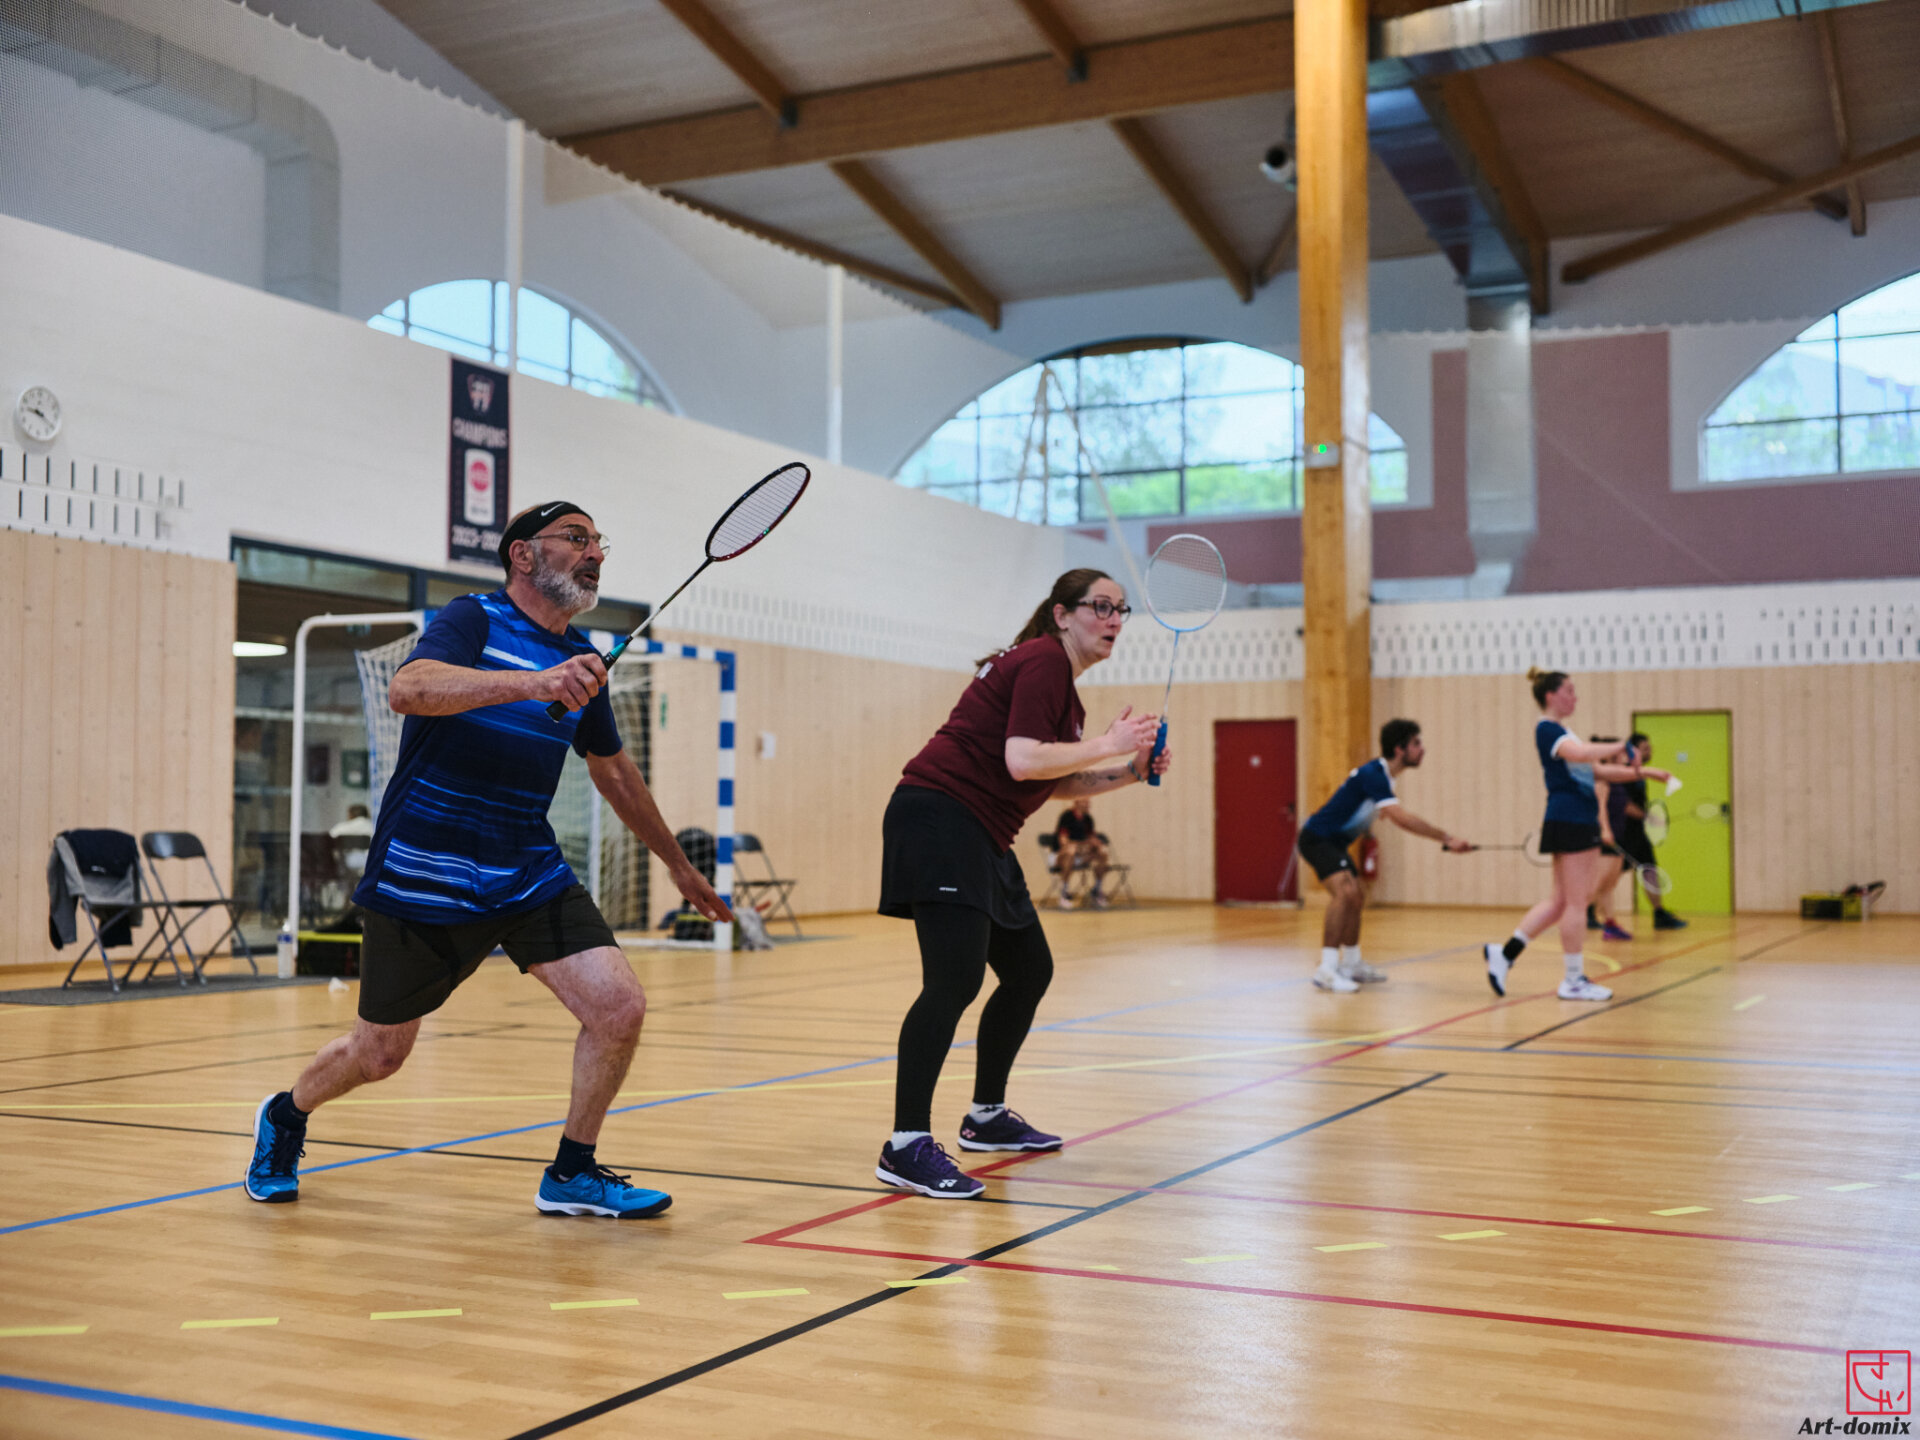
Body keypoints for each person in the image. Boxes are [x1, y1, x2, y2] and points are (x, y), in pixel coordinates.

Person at [244, 501, 730, 1217]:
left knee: (619, 1006)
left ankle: (572, 1172)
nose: (595, 553)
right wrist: (536, 683)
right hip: (423, 871)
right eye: (576, 538)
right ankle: (286, 1115)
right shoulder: (472, 619)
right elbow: (409, 689)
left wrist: (678, 865)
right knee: (379, 1055)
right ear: (523, 555)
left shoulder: (584, 659)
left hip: (525, 869)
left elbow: (613, 770)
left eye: (599, 542)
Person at [875, 569, 1167, 1198]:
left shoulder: (1057, 684)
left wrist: (1130, 769)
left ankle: (985, 1118)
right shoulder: (1043, 661)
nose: (1113, 620)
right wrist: (1107, 742)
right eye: (1101, 606)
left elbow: (1049, 779)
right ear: (1062, 614)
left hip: (981, 832)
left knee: (1029, 969)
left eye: (1121, 610)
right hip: (941, 817)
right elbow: (1023, 759)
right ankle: (904, 1145)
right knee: (954, 982)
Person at [1484, 671, 1670, 1002]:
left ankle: (1505, 953)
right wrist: (1622, 745)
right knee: (1576, 903)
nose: (1575, 697)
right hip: (1572, 818)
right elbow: (1581, 754)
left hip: (1571, 818)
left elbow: (1596, 770)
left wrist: (1644, 772)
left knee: (1559, 902)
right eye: (1569, 691)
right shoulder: (1548, 729)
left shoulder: (1565, 733)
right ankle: (1572, 981)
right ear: (1551, 696)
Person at [1298, 718, 1472, 993]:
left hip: (1336, 842)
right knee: (1344, 892)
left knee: (1356, 895)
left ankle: (1351, 964)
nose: (1422, 749)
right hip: (1318, 838)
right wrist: (1447, 839)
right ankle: (1327, 970)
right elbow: (1401, 819)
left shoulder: (1384, 779)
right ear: (1399, 749)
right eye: (1416, 743)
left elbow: (1365, 809)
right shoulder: (1374, 774)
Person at [1590, 733, 1687, 936]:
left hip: (1633, 833)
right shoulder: (1614, 777)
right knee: (1605, 879)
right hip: (1619, 834)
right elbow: (1613, 805)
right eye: (1643, 749)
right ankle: (1585, 910)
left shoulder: (1632, 774)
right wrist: (1644, 816)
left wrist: (1658, 775)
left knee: (1639, 871)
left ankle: (1654, 914)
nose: (1648, 751)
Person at [1051, 798, 1111, 909]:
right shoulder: (1067, 816)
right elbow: (1063, 840)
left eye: (1088, 802)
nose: (1088, 804)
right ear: (1077, 802)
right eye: (1085, 802)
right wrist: (1079, 846)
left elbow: (1091, 837)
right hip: (1062, 855)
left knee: (1102, 853)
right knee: (1071, 851)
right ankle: (1064, 893)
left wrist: (1096, 844)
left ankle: (1097, 890)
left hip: (1081, 855)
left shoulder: (1088, 818)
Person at [328, 802, 375, 877]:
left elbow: (329, 838)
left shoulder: (342, 827)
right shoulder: (373, 827)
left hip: (345, 863)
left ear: (350, 815)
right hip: (369, 863)